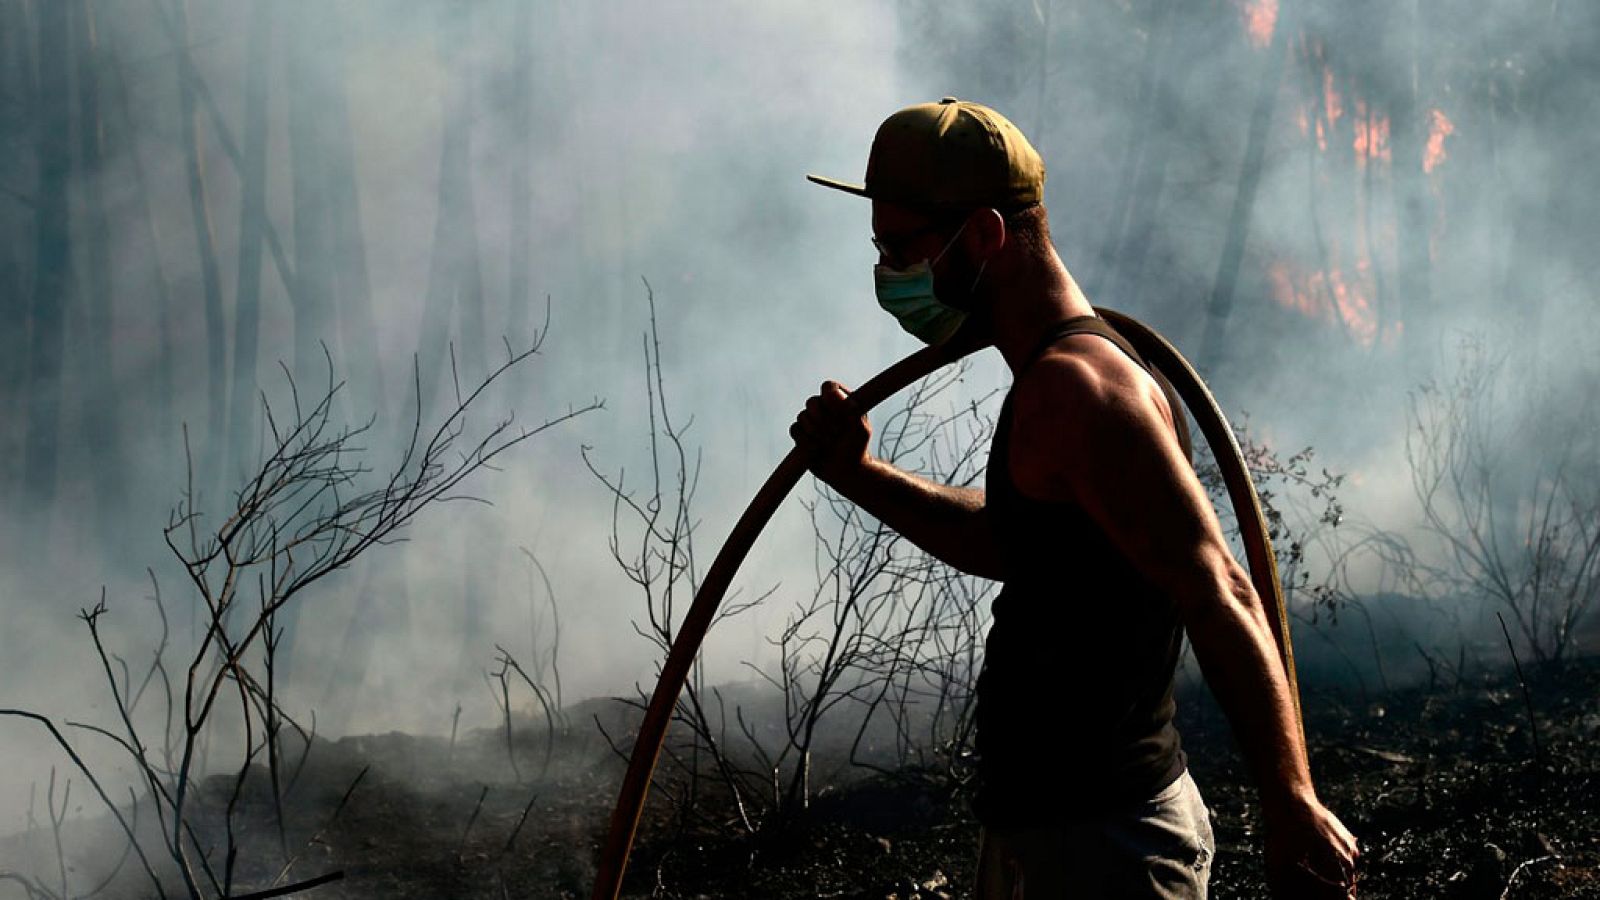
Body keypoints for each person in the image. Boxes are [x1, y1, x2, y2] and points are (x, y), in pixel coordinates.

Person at [791, 97, 1359, 898]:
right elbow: (1010, 545)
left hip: (1107, 847)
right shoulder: (1045, 382)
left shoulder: (1078, 391)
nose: (890, 273)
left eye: (902, 247)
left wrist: (1291, 802)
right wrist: (861, 475)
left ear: (985, 235)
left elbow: (1219, 588)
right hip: (1051, 834)